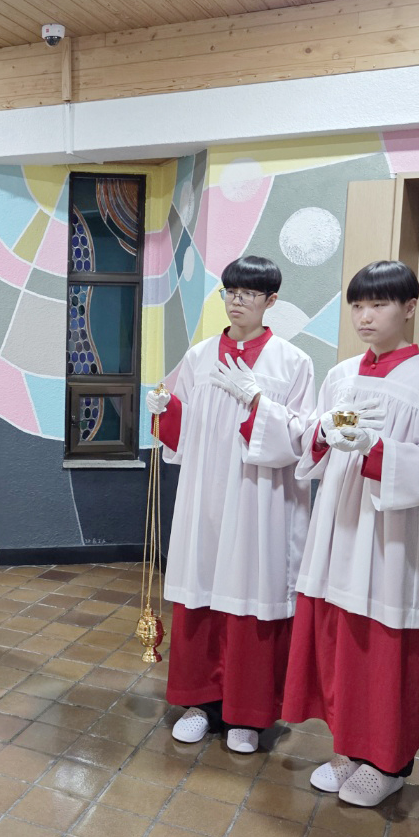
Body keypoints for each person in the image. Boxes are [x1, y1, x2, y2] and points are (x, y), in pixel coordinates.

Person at [283, 259, 419, 807]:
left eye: (378, 304)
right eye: (357, 305)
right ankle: (348, 748)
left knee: (382, 644)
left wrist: (378, 451)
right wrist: (321, 434)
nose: (365, 316)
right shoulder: (340, 376)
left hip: (391, 535)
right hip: (340, 524)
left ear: (409, 308)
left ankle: (388, 763)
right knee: (339, 638)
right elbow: (314, 443)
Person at [147, 256, 315, 754]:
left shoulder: (292, 363)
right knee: (200, 589)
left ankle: (248, 714)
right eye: (230, 291)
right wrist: (166, 410)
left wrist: (260, 402)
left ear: (271, 300)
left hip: (260, 499)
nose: (237, 301)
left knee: (250, 595)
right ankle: (200, 704)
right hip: (206, 496)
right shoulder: (200, 357)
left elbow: (303, 440)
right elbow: (183, 433)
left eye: (249, 293)